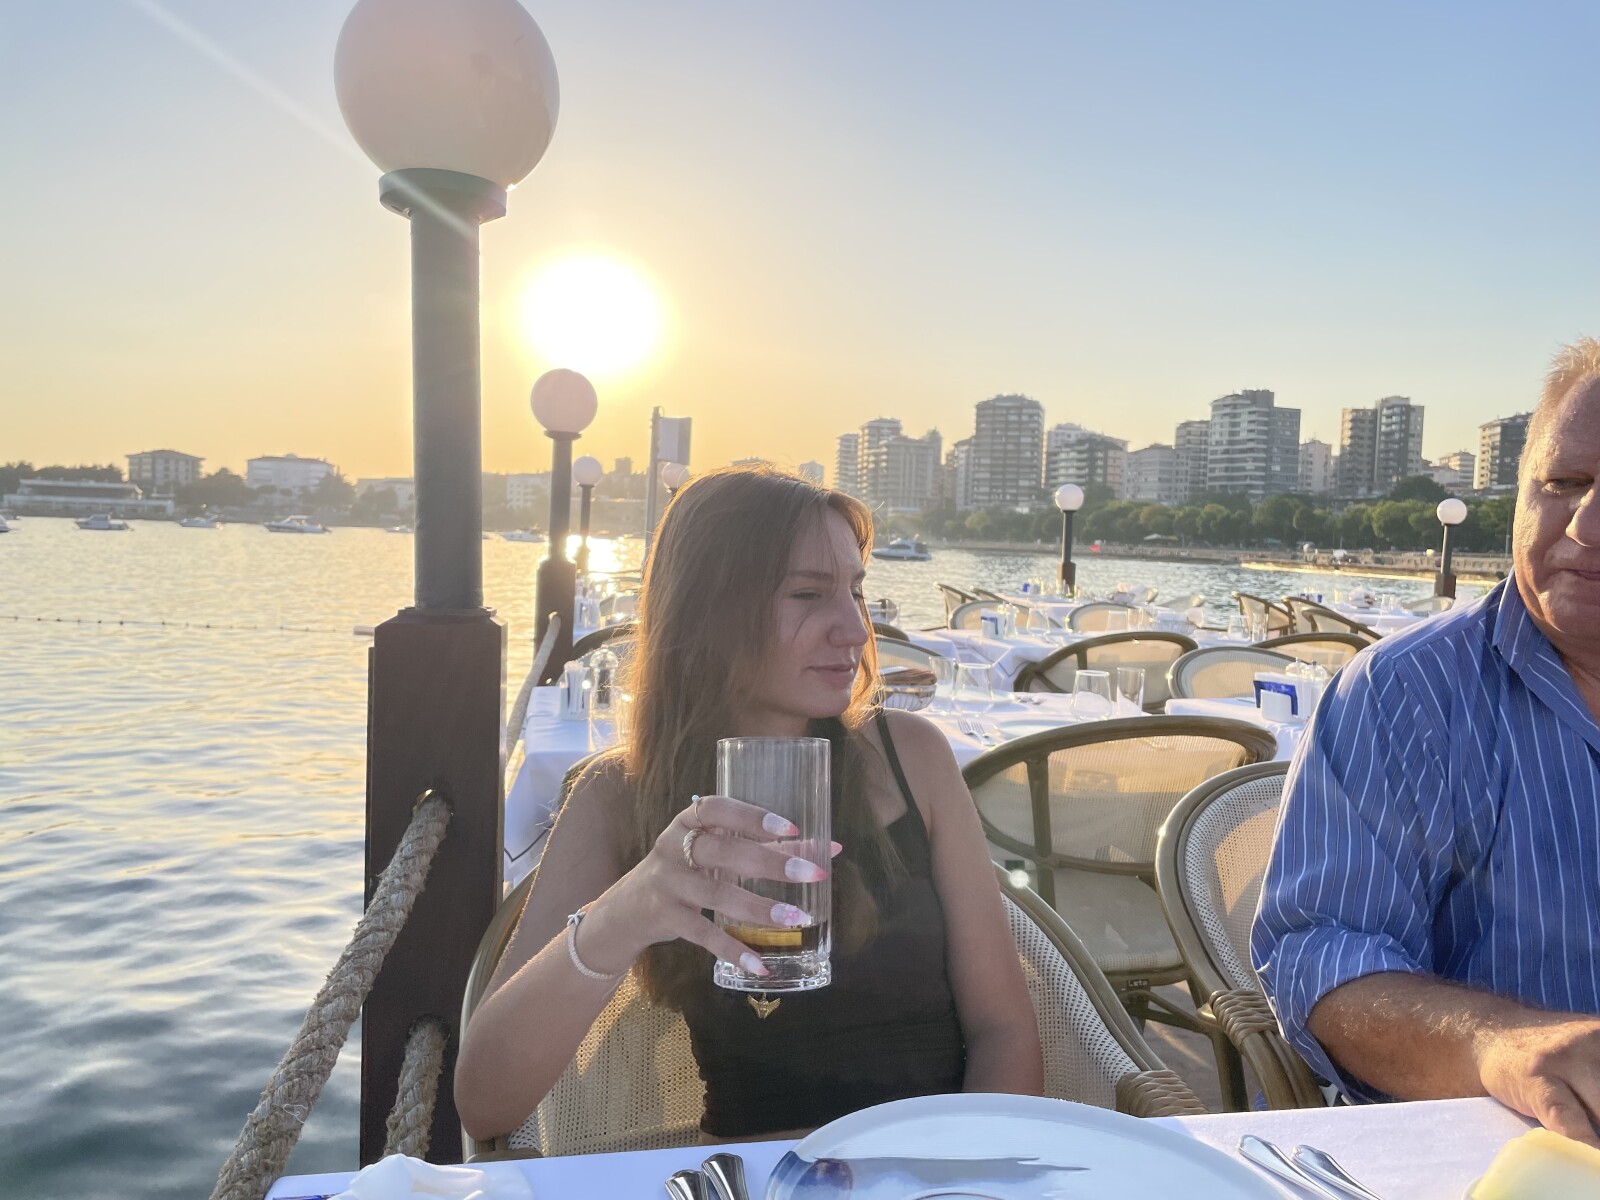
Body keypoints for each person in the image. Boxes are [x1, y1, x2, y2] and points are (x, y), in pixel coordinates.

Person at [456, 466, 1043, 1143]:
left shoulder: (912, 758)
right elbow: (485, 1104)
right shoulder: (621, 797)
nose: (855, 630)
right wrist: (624, 914)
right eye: (808, 594)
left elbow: (1005, 1030)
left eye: (855, 591)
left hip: (933, 1169)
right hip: (754, 1176)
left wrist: (965, 1173)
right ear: (706, 612)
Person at [1253, 337, 1600, 1144]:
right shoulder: (1405, 691)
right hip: (1491, 1152)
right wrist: (1499, 1047)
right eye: (1563, 484)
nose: (1587, 524)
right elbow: (1319, 956)